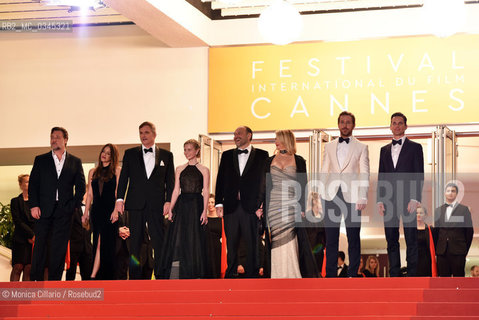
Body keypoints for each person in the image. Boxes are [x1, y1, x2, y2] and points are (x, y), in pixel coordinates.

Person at [115, 121, 175, 279]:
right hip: (135, 204)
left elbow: (171, 181)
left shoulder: (166, 155)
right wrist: (119, 199)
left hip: (157, 205)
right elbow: (123, 179)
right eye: (141, 132)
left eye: (147, 132)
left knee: (159, 242)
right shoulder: (130, 153)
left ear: (154, 134)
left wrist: (169, 201)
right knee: (134, 244)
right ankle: (135, 277)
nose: (143, 135)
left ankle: (162, 275)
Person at [29, 127, 86, 281]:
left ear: (65, 139)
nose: (53, 139)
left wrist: (73, 206)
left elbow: (81, 187)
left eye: (57, 137)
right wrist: (34, 205)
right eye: (52, 137)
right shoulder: (40, 160)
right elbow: (33, 185)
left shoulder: (75, 161)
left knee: (59, 248)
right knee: (40, 246)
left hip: (64, 212)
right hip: (43, 210)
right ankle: (35, 282)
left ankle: (54, 283)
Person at [320, 111, 370, 278]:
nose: (345, 125)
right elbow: (323, 171)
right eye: (342, 122)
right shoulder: (329, 146)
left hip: (353, 196)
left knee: (353, 236)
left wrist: (363, 195)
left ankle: (353, 274)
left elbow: (365, 173)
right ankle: (331, 275)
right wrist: (319, 195)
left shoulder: (362, 147)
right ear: (338, 124)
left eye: (348, 122)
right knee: (331, 238)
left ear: (353, 125)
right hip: (331, 195)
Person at [215, 126, 269, 278]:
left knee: (252, 243)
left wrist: (262, 204)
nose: (235, 136)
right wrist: (219, 203)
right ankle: (231, 274)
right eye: (234, 134)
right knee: (231, 243)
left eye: (239, 133)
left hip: (252, 207)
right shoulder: (226, 155)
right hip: (231, 206)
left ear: (249, 135)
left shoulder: (262, 155)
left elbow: (265, 182)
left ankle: (252, 274)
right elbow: (220, 180)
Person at [263, 130, 317, 278]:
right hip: (273, 205)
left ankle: (292, 274)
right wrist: (261, 205)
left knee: (291, 240)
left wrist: (302, 206)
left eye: (278, 139)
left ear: (286, 140)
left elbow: (304, 185)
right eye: (275, 139)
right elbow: (264, 186)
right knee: (275, 239)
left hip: (292, 204)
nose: (276, 142)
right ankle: (276, 274)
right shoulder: (269, 161)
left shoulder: (299, 160)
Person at [377, 112, 424, 277]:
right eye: (394, 123)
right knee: (391, 238)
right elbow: (381, 175)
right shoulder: (384, 150)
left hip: (408, 200)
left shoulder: (415, 147)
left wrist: (415, 198)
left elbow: (419, 174)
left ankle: (412, 274)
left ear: (405, 126)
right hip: (388, 200)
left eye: (400, 123)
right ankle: (394, 273)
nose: (397, 125)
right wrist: (379, 200)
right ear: (390, 126)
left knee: (411, 238)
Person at [160, 139, 209, 279]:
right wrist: (171, 208)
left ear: (197, 150)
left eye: (189, 149)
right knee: (179, 239)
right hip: (182, 206)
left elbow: (206, 191)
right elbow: (176, 190)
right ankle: (177, 274)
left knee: (195, 239)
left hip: (197, 205)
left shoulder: (204, 170)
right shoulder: (179, 169)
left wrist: (204, 211)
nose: (186, 152)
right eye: (185, 149)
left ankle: (195, 273)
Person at [81, 144, 121, 280]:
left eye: (108, 153)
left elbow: (118, 194)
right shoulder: (92, 171)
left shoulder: (117, 170)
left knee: (106, 244)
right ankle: (95, 275)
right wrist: (86, 212)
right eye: (103, 151)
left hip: (110, 211)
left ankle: (99, 275)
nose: (104, 154)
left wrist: (116, 211)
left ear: (113, 156)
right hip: (96, 211)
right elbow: (90, 194)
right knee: (97, 241)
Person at [434, 183, 474, 277]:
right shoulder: (438, 210)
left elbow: (469, 232)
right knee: (443, 281)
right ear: (444, 193)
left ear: (456, 193)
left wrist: (464, 249)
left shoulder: (464, 209)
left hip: (458, 250)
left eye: (453, 191)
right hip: (442, 251)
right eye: (448, 191)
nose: (450, 193)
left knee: (459, 279)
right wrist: (437, 249)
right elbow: (436, 231)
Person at [10, 174, 34, 281]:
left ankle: (25, 297)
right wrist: (31, 234)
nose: (29, 184)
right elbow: (18, 221)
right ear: (21, 185)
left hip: (33, 240)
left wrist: (35, 236)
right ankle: (11, 296)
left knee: (29, 268)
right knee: (18, 267)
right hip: (20, 239)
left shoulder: (36, 202)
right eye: (27, 182)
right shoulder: (15, 201)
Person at [66, 198, 93, 281]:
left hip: (87, 247)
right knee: (71, 274)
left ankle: (87, 293)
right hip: (74, 246)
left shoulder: (93, 208)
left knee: (87, 275)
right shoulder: (74, 207)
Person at [303, 192, 326, 273]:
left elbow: (325, 235)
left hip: (319, 250)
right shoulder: (306, 217)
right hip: (309, 250)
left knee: (318, 272)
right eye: (317, 200)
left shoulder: (323, 218)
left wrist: (323, 245)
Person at [205, 194, 223, 278]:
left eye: (212, 202)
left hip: (217, 248)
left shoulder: (221, 219)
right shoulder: (204, 219)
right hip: (206, 248)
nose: (210, 204)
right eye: (208, 202)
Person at [416, 206, 437, 277]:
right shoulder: (411, 230)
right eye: (417, 213)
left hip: (427, 259)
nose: (418, 215)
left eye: (421, 213)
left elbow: (435, 245)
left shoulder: (431, 229)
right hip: (414, 260)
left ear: (425, 215)